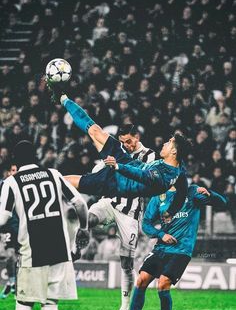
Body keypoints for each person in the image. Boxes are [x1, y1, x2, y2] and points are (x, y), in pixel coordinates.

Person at [0, 140, 88, 310]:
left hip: (32, 251)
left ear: (15, 161)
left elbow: (2, 218)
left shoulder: (12, 181)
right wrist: (84, 228)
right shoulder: (54, 174)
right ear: (36, 156)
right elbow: (79, 202)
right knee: (50, 305)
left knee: (23, 305)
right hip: (59, 250)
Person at [47, 88, 191, 221]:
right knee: (96, 131)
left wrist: (117, 166)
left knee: (73, 182)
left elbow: (141, 175)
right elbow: (182, 193)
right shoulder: (179, 171)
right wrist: (171, 212)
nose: (165, 143)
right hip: (126, 161)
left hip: (115, 183)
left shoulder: (162, 177)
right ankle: (64, 98)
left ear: (174, 151)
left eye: (169, 142)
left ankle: (46, 183)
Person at [123, 184, 227, 310]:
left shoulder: (191, 192)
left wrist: (210, 194)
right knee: (142, 279)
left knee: (163, 283)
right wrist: (161, 234)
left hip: (181, 250)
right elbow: (146, 224)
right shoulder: (158, 197)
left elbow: (222, 203)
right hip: (161, 248)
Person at [88, 124, 159, 310]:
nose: (125, 145)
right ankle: (76, 244)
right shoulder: (117, 150)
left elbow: (144, 176)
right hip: (110, 202)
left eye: (128, 141)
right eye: (122, 142)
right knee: (88, 217)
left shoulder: (149, 155)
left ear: (137, 137)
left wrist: (117, 164)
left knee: (126, 264)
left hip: (130, 213)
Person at [0, 164, 18, 299]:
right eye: (12, 170)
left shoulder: (21, 184)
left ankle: (11, 283)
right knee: (10, 255)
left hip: (22, 224)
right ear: (7, 172)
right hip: (8, 225)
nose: (14, 173)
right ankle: (12, 281)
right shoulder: (3, 186)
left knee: (21, 257)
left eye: (16, 170)